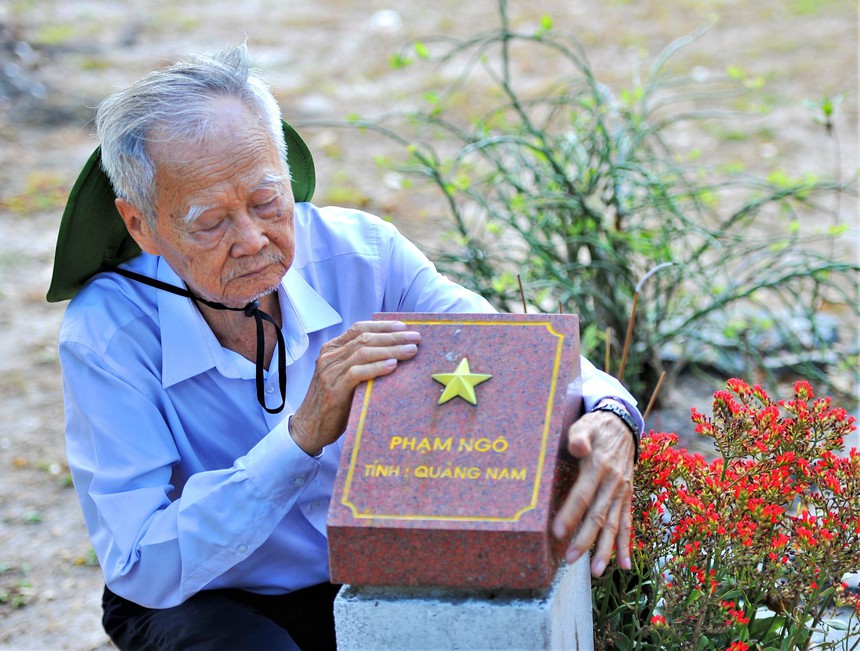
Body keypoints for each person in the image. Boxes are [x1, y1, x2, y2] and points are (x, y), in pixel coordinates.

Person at [50, 45, 643, 650]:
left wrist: (611, 413)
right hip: (203, 592)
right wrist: (298, 438)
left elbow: (501, 348)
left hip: (366, 565)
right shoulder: (108, 334)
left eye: (266, 201)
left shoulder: (363, 254)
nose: (252, 239)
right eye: (210, 223)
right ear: (141, 225)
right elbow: (140, 563)